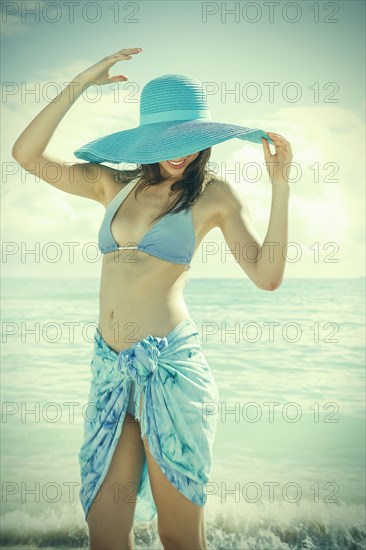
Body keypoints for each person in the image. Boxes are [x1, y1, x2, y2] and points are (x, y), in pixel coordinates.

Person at [12, 47, 293, 550]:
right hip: (110, 373)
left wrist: (280, 185)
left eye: (189, 138)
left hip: (171, 372)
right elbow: (25, 155)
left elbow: (266, 275)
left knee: (178, 536)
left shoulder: (214, 195)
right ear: (148, 138)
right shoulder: (110, 184)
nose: (180, 151)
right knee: (105, 534)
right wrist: (83, 80)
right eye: (169, 139)